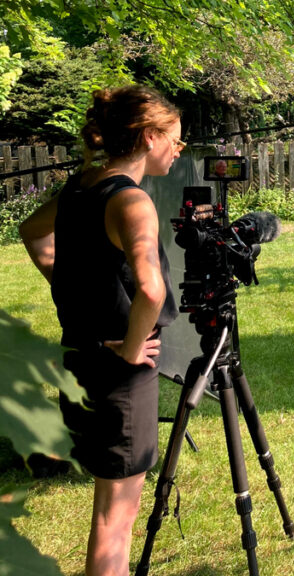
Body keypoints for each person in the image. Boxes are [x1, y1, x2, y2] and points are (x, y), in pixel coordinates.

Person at [19, 85, 183, 575]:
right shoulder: (131, 201)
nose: (179, 150)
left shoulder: (81, 186)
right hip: (119, 379)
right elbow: (151, 291)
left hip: (79, 361)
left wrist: (67, 283)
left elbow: (32, 232)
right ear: (150, 136)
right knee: (116, 520)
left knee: (107, 506)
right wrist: (132, 351)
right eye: (175, 139)